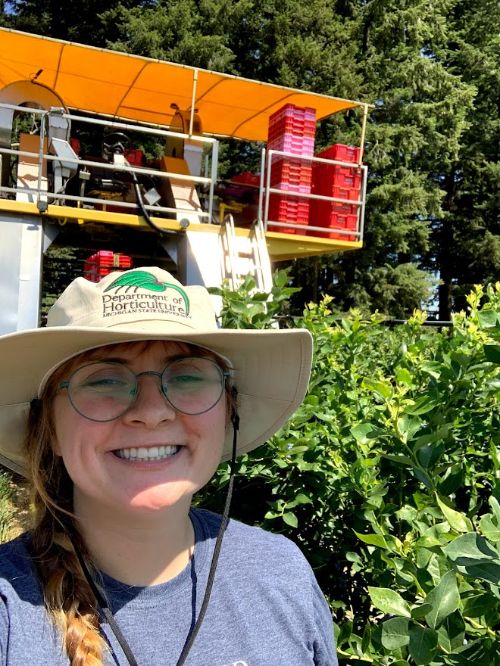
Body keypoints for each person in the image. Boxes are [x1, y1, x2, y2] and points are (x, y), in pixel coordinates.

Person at [0, 266, 337, 666]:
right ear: (50, 429)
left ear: (229, 411)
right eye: (104, 380)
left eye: (187, 376)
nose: (153, 412)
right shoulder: (9, 610)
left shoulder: (281, 574)